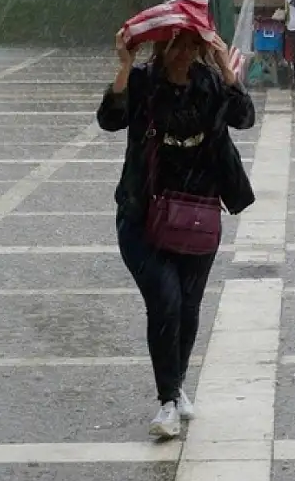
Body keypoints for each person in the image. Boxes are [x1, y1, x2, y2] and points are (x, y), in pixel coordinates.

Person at [98, 28, 256, 438]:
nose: (183, 54)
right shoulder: (144, 83)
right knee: (165, 303)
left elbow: (244, 117)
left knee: (187, 308)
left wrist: (224, 65)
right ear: (162, 49)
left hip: (197, 216)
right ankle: (167, 401)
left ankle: (178, 383)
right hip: (142, 218)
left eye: (191, 46)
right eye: (175, 46)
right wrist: (125, 65)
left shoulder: (209, 85)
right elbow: (109, 119)